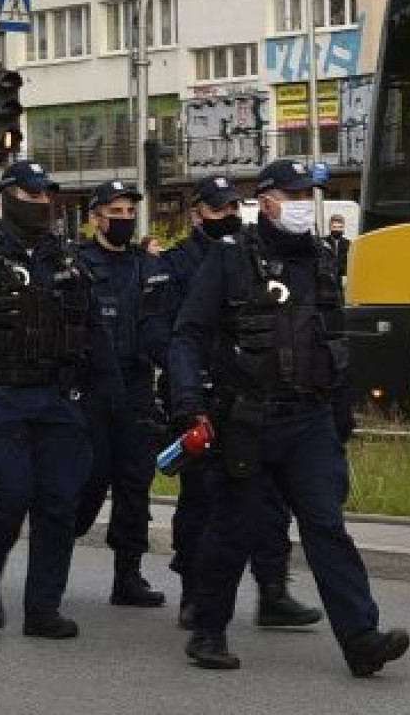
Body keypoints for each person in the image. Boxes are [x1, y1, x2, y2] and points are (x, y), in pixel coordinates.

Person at [169, 159, 408, 675]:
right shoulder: (229, 257)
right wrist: (189, 403)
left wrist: (341, 410)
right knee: (234, 529)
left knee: (327, 527)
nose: (303, 205)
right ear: (267, 201)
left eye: (308, 195)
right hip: (246, 420)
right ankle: (208, 632)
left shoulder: (321, 257)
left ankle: (361, 640)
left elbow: (334, 338)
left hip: (308, 421)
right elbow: (187, 335)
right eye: (294, 195)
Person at [0, 160, 121, 639]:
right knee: (13, 493)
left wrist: (114, 391)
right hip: (1, 398)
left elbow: (94, 331)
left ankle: (42, 609)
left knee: (59, 503)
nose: (42, 203)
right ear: (7, 197)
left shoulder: (67, 259)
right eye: (32, 195)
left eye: (46, 196)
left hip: (57, 399)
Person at [161, 175, 320, 631]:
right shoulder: (177, 263)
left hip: (250, 391)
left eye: (234, 206)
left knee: (270, 503)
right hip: (202, 394)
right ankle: (195, 592)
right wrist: (187, 388)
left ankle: (273, 589)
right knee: (202, 501)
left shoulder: (252, 256)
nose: (229, 215)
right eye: (218, 208)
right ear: (197, 215)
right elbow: (170, 332)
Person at [73, 180, 172, 607]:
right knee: (89, 481)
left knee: (135, 483)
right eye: (116, 213)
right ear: (95, 217)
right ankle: (54, 554)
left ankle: (127, 575)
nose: (125, 220)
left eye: (130, 213)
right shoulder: (76, 264)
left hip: (135, 387)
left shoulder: (146, 266)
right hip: (91, 390)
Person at [321, 213, 350, 279]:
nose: (337, 230)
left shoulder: (349, 244)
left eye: (340, 227)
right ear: (330, 228)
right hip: (326, 278)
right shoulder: (322, 242)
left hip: (343, 278)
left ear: (343, 228)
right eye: (334, 227)